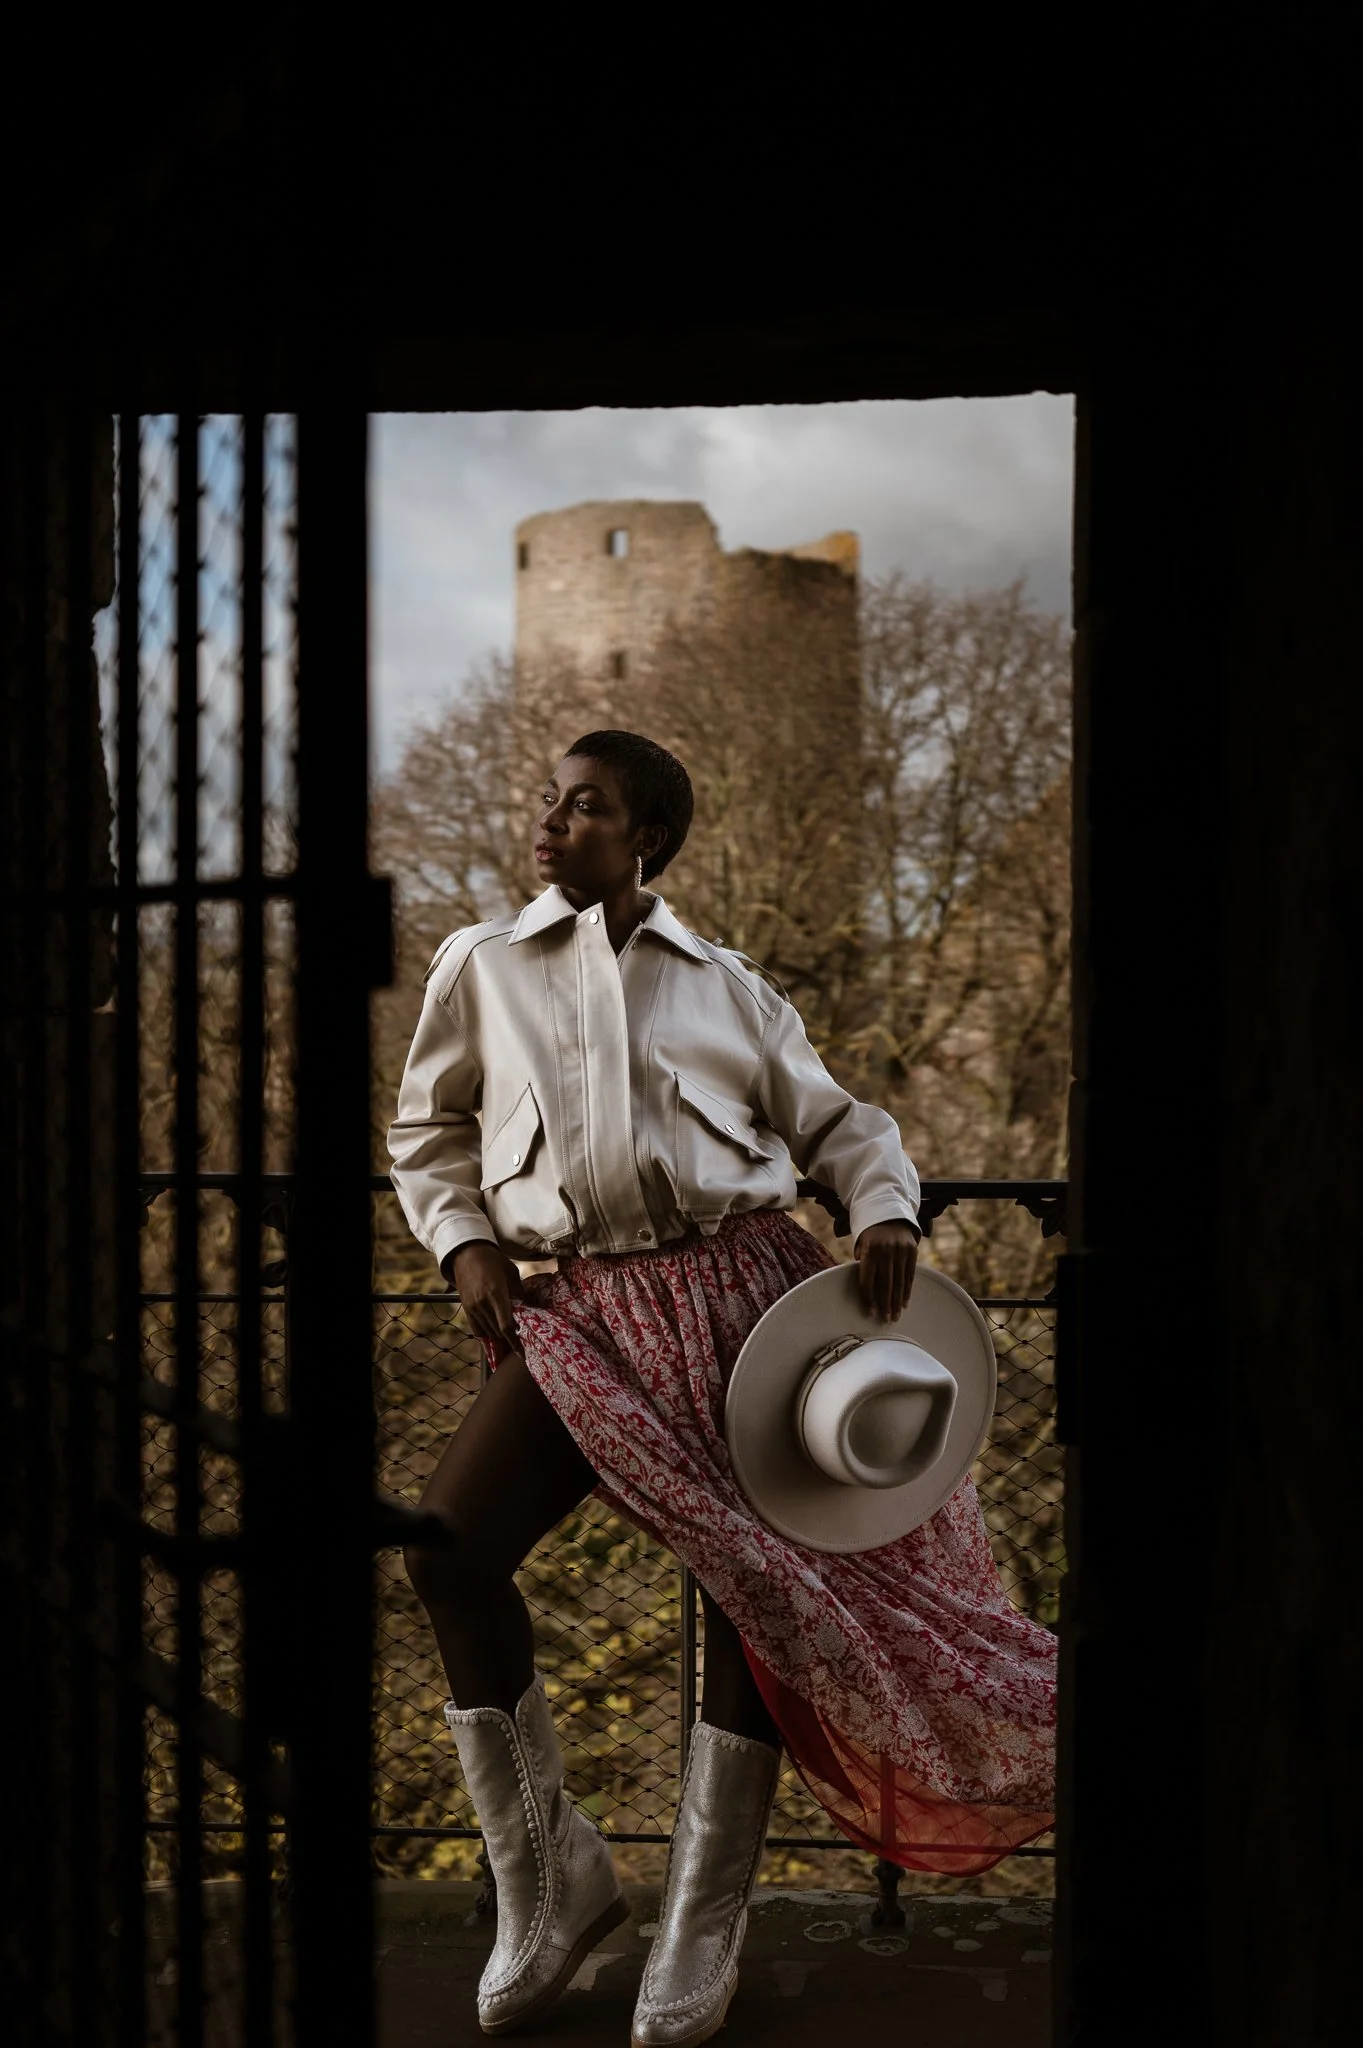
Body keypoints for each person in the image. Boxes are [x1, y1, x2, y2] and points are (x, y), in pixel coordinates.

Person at [389, 730, 1056, 2045]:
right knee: (450, 1550)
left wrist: (883, 1215)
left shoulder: (726, 988)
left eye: (585, 808)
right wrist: (464, 1244)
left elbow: (845, 1127)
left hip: (746, 1307)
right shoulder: (482, 966)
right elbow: (426, 1132)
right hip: (578, 1308)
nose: (551, 823)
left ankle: (700, 1920)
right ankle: (551, 1885)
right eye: (549, 802)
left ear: (645, 838)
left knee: (762, 1586)